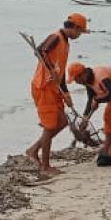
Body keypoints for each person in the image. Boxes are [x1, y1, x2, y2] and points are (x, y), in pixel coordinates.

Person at [25, 14, 88, 176]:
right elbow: (40, 50)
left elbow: (59, 75)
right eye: (79, 32)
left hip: (54, 89)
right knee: (50, 126)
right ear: (74, 28)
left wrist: (66, 94)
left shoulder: (66, 44)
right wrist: (50, 67)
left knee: (62, 121)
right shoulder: (56, 37)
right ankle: (45, 166)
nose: (79, 36)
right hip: (43, 87)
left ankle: (33, 150)